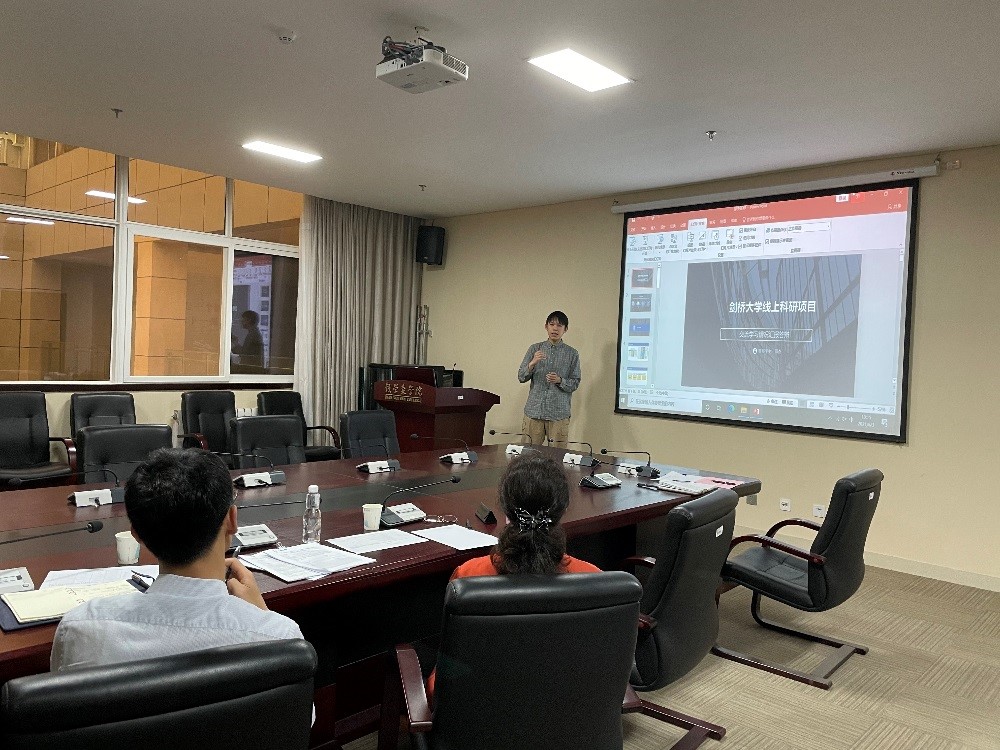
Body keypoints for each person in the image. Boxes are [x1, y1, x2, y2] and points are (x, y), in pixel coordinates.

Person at [51, 448, 304, 671]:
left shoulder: (81, 629)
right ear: (231, 520)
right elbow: (297, 710)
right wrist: (261, 615)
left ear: (136, 535)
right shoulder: (279, 636)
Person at [427, 454, 599, 696]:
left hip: (480, 708)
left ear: (506, 509)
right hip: (567, 707)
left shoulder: (469, 576)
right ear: (563, 509)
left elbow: (448, 673)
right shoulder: (594, 579)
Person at [517, 310, 581, 446]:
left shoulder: (572, 354)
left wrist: (560, 380)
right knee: (529, 454)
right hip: (534, 411)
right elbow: (521, 377)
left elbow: (575, 383)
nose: (555, 329)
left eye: (559, 325)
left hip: (558, 414)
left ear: (565, 329)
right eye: (552, 324)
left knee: (557, 455)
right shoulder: (535, 349)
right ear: (546, 326)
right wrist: (532, 363)